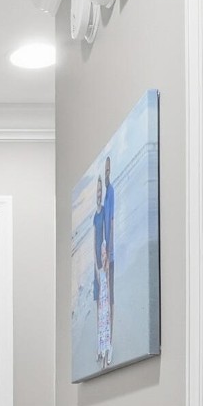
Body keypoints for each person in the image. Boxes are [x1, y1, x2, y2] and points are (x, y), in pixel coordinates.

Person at [93, 154, 116, 368]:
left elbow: (111, 224)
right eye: (97, 191)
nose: (100, 194)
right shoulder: (95, 214)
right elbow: (94, 239)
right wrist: (96, 266)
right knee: (101, 305)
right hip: (99, 262)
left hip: (106, 257)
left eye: (109, 170)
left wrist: (108, 253)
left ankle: (109, 346)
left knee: (108, 302)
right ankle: (101, 347)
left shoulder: (112, 194)